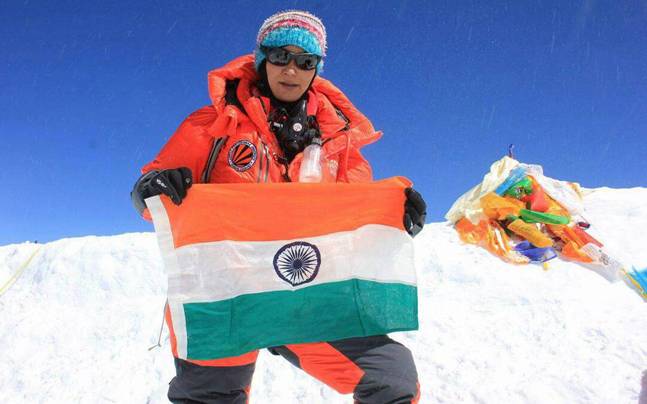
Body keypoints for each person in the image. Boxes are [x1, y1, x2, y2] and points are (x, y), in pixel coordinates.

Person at [131, 10, 426, 404]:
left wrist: (398, 212)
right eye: (280, 56)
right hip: (226, 294)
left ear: (317, 68)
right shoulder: (213, 125)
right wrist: (153, 187)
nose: (291, 70)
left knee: (392, 382)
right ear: (261, 58)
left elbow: (357, 220)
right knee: (209, 398)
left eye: (305, 61)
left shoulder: (340, 144)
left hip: (308, 294)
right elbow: (154, 201)